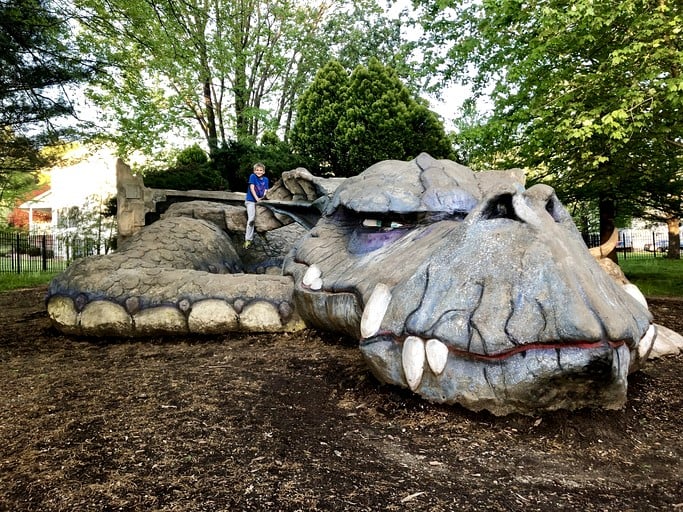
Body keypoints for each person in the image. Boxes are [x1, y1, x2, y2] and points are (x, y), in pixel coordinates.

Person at [243, 162, 269, 248]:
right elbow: (252, 188)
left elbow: (265, 191)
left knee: (266, 215)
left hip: (260, 201)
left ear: (263, 172)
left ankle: (262, 232)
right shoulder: (252, 176)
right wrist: (257, 199)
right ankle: (248, 239)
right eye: (257, 170)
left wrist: (263, 199)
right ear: (254, 171)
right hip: (251, 200)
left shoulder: (266, 179)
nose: (259, 171)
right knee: (251, 219)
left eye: (261, 170)